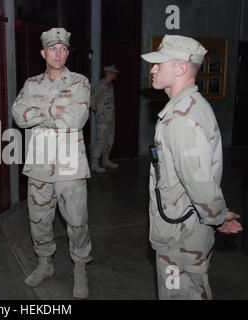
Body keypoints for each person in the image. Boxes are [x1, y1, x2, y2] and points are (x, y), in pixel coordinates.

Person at [141, 34, 242, 300]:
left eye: (159, 64)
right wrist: (218, 216)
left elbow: (199, 183)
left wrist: (217, 217)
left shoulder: (183, 118)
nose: (152, 69)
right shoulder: (188, 107)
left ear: (181, 68)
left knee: (179, 294)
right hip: (185, 225)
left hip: (181, 235)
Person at [12, 28, 92, 299]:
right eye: (52, 49)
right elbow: (19, 115)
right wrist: (52, 112)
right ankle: (45, 263)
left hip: (70, 166)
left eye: (63, 49)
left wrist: (38, 114)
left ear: (67, 52)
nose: (58, 53)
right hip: (39, 166)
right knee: (39, 221)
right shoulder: (31, 84)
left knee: (76, 221)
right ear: (43, 53)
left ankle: (80, 266)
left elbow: (76, 119)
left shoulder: (80, 82)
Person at [90, 64, 119, 173]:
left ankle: (105, 160)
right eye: (114, 73)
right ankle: (94, 163)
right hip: (102, 120)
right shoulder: (100, 86)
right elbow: (92, 100)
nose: (116, 74)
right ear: (109, 74)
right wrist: (98, 111)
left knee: (109, 140)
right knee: (100, 141)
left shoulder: (110, 86)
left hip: (110, 119)